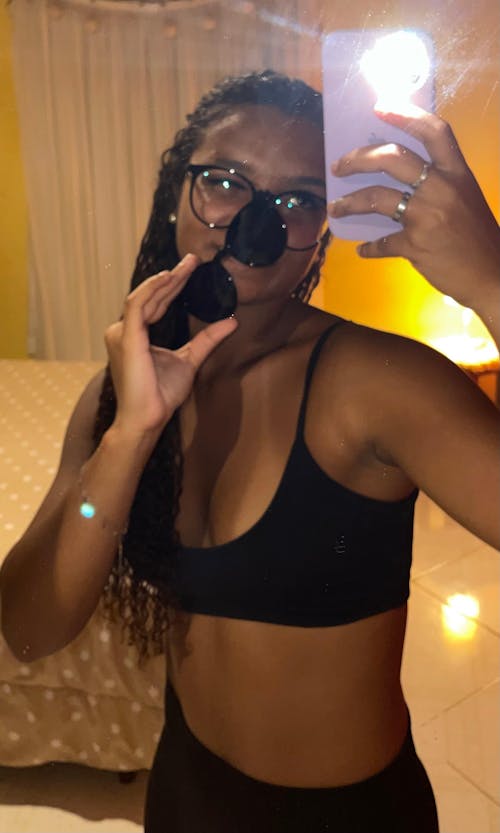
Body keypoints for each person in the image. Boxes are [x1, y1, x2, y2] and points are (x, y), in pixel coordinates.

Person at [1, 70, 499, 833]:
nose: (257, 225)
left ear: (323, 231)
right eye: (227, 182)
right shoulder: (122, 393)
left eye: (298, 201)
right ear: (177, 192)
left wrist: (493, 282)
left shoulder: (374, 382)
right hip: (183, 794)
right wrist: (130, 437)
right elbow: (29, 627)